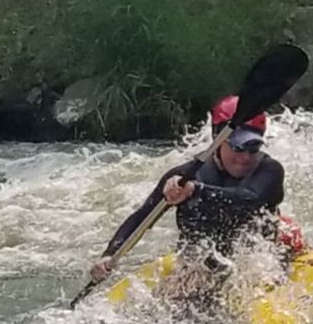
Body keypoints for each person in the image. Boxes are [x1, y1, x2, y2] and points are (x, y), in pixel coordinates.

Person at [88, 95, 287, 285]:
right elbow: (142, 217)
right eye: (237, 148)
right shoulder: (183, 176)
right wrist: (110, 255)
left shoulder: (270, 170)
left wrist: (195, 191)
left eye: (253, 148)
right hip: (198, 265)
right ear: (217, 139)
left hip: (257, 263)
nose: (245, 157)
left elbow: (250, 198)